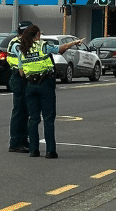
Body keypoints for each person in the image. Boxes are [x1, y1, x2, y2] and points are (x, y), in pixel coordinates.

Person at [16, 25, 84, 158]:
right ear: (37, 35)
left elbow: (21, 71)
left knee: (33, 119)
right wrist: (75, 42)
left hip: (30, 84)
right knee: (48, 118)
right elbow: (60, 49)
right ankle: (50, 151)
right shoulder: (43, 46)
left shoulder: (22, 49)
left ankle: (33, 150)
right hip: (45, 83)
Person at [7, 20, 33, 153]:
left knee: (25, 111)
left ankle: (24, 140)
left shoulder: (25, 43)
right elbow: (23, 59)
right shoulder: (16, 43)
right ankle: (15, 142)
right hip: (18, 77)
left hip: (25, 78)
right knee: (19, 111)